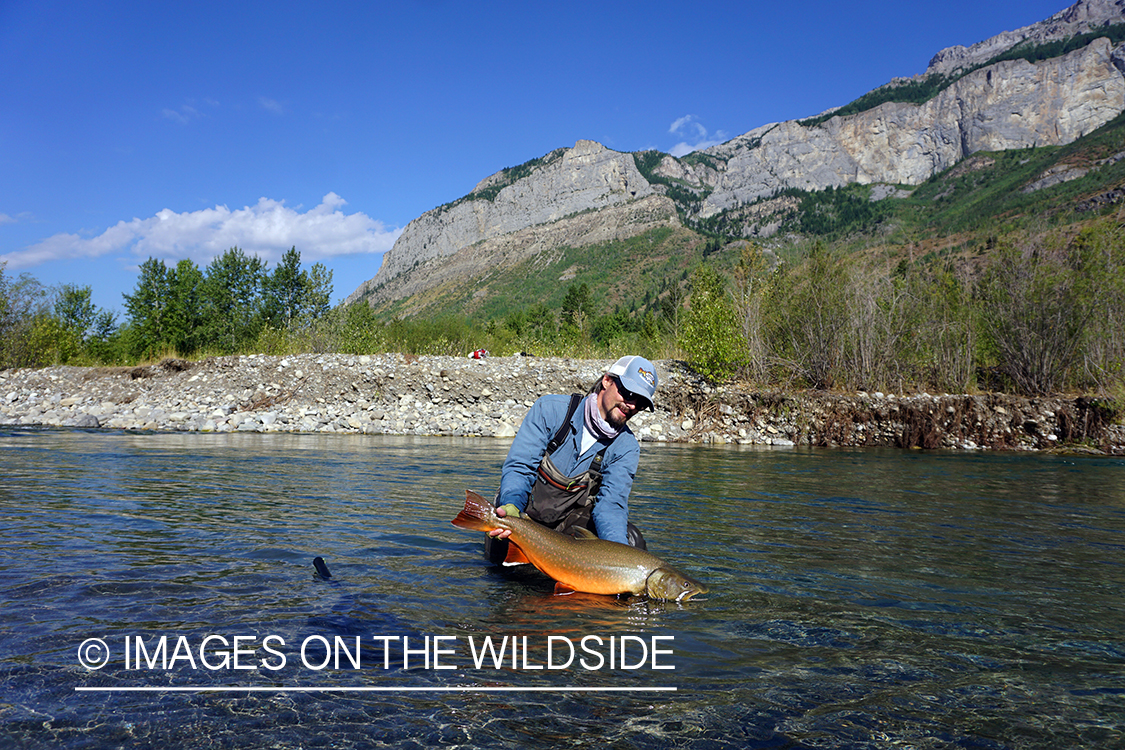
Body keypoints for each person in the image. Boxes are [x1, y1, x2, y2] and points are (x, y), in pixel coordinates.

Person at [486, 356, 658, 561]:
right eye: (628, 393)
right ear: (607, 381)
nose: (631, 405)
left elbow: (611, 506)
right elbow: (520, 467)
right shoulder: (550, 410)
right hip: (523, 515)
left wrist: (618, 558)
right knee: (505, 557)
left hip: (569, 530)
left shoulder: (626, 447)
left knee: (631, 540)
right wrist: (511, 505)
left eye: (640, 403)